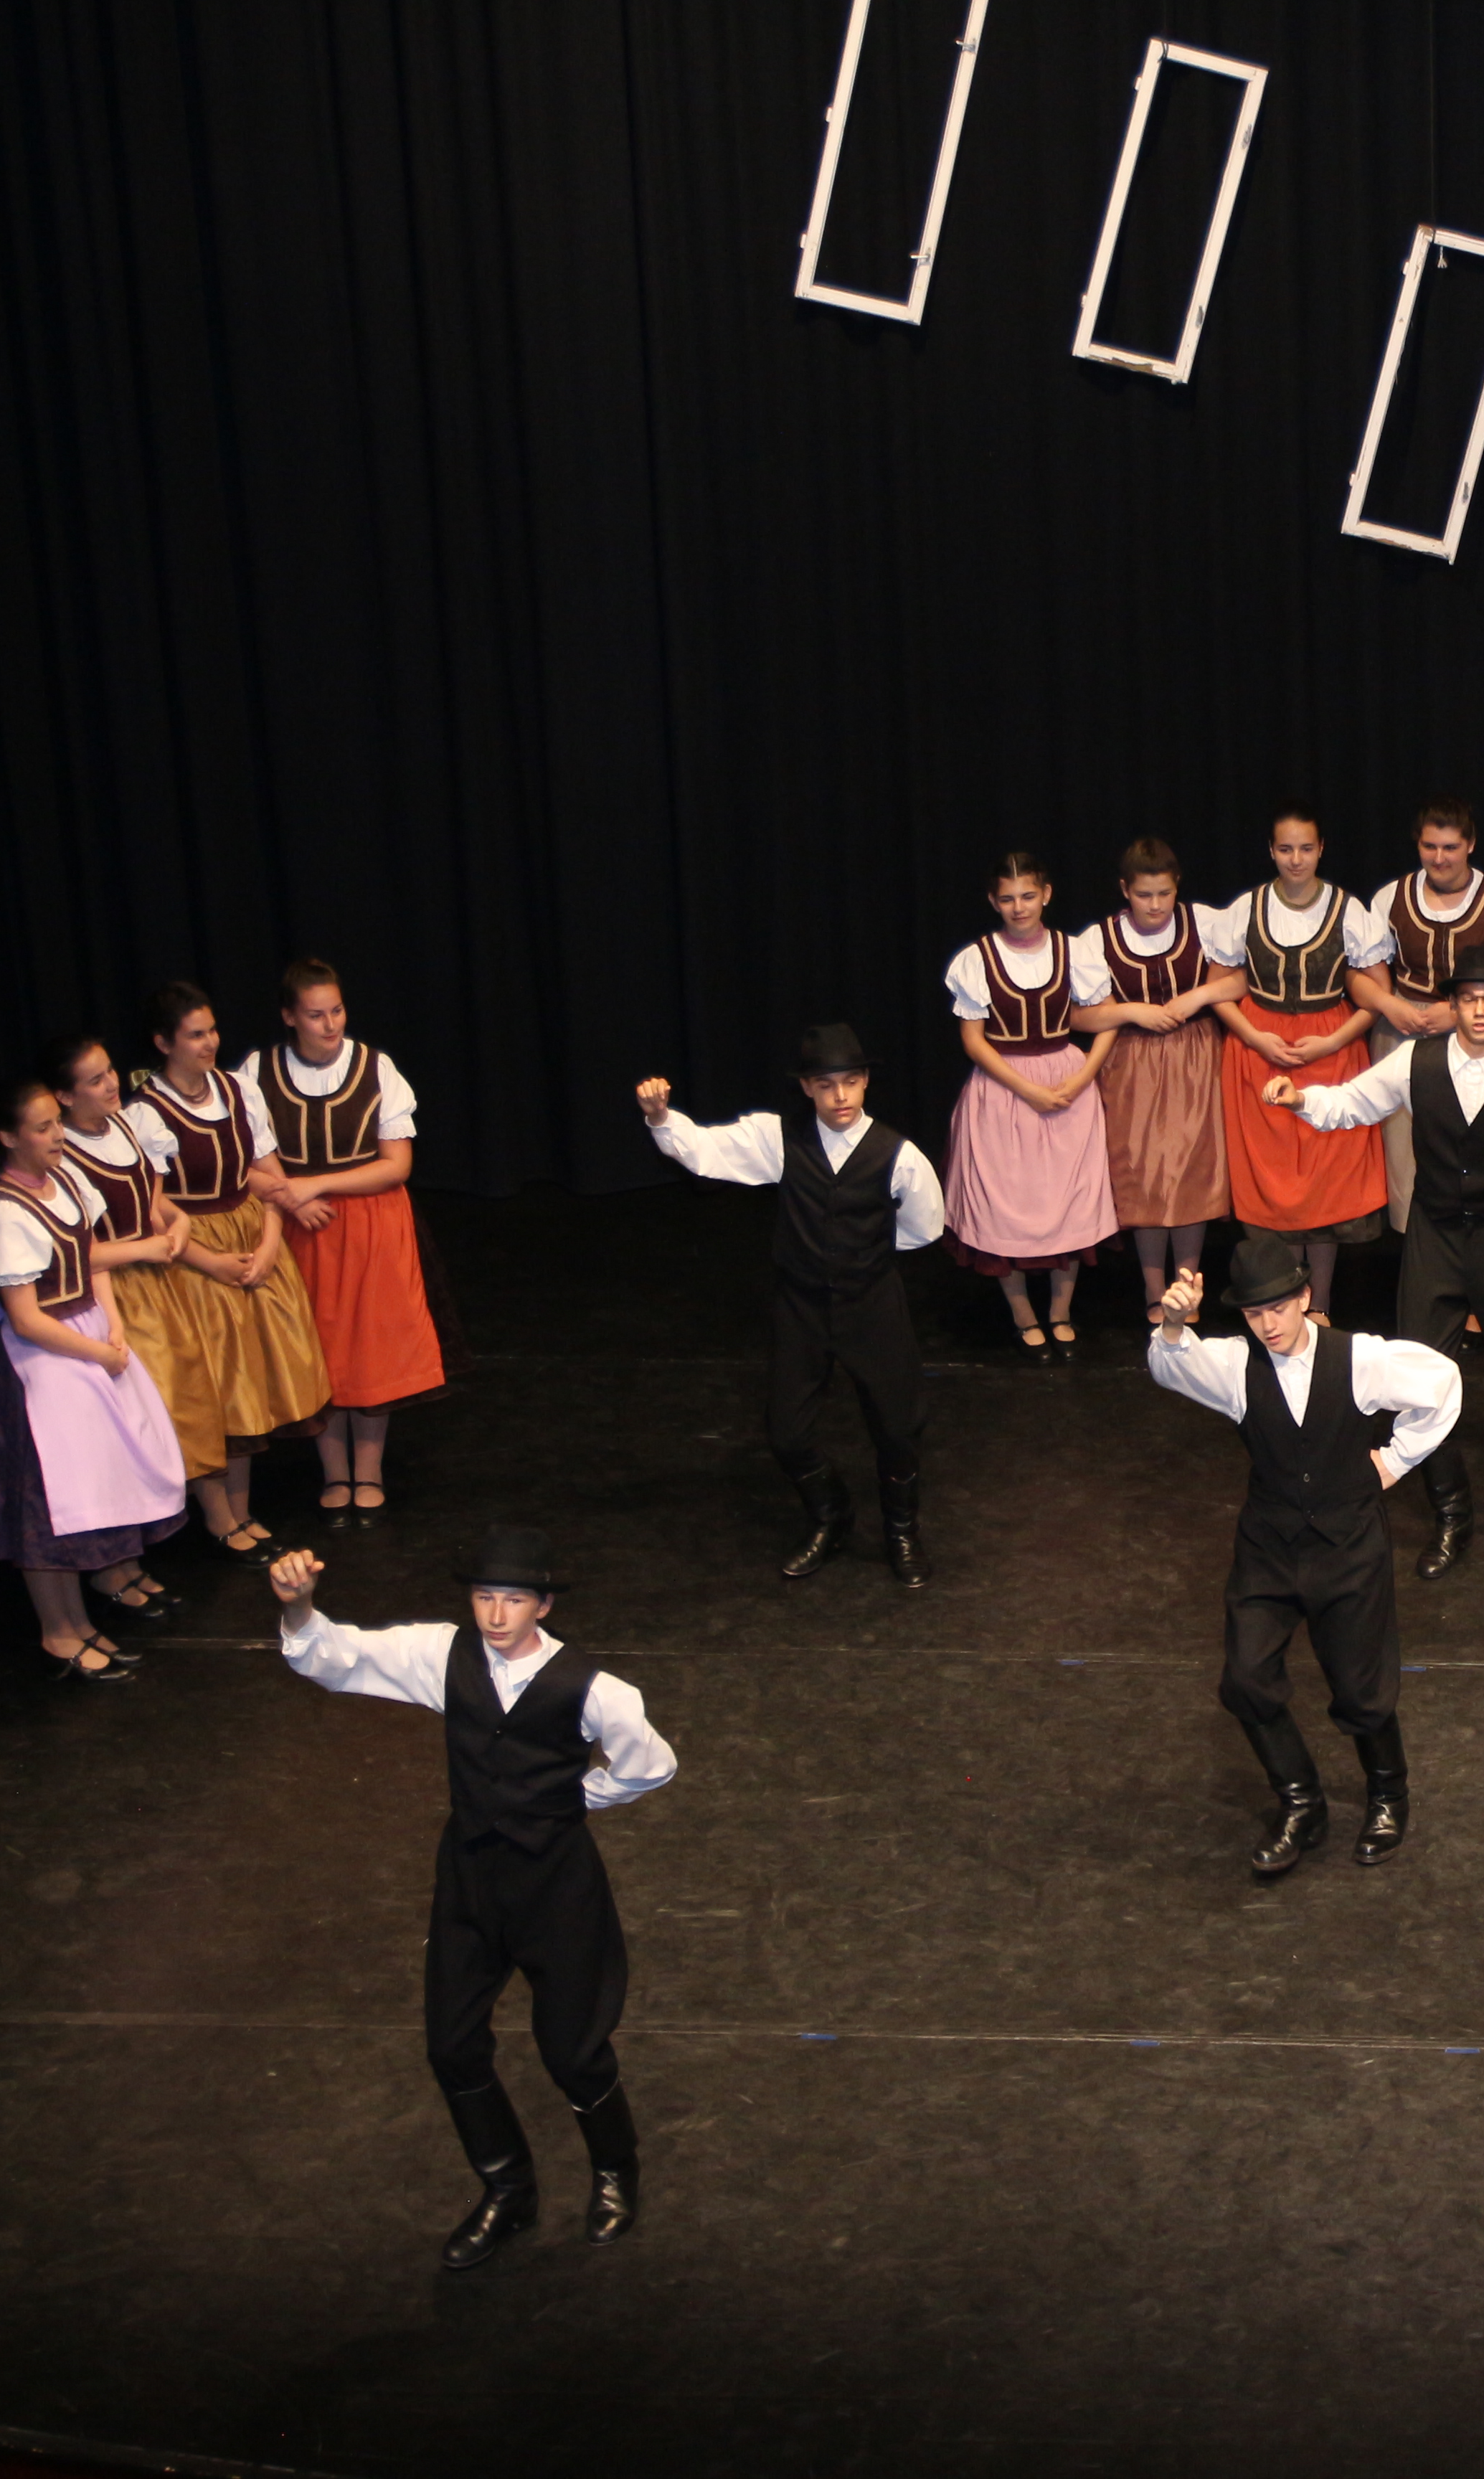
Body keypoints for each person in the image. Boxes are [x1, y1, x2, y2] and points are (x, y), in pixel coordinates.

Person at [270, 1530, 672, 2269]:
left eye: (512, 1600)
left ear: (542, 1607)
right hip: (471, 1879)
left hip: (556, 1886)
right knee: (452, 2045)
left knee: (574, 2051)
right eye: (485, 1597)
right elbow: (336, 1657)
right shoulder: (441, 1654)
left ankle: (616, 2170)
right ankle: (507, 2188)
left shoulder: (593, 1688)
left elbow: (649, 1763)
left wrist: (574, 1799)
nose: (494, 1614)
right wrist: (299, 1608)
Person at [1268, 949, 1484, 1575]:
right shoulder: (1415, 1062)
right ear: (1453, 1005)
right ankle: (1452, 1517)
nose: (1479, 1011)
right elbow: (1353, 1103)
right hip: (1435, 1239)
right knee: (1418, 1382)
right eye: (1468, 1000)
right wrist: (1300, 1099)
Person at [1145, 1236, 1462, 1878]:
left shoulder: (1359, 1359)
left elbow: (1442, 1380)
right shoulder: (1236, 1366)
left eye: (1278, 1309)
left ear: (1305, 1297)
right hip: (1270, 1548)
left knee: (1362, 1690)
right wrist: (1174, 1323)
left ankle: (1387, 1797)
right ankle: (1301, 1803)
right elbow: (1171, 1365)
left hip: (1348, 1547)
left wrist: (1395, 1460)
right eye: (1253, 1313)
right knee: (1245, 1680)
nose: (1267, 1325)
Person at [636, 1024, 950, 1586]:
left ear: (866, 1082)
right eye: (826, 1085)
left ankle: (902, 1531)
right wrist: (661, 1117)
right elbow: (704, 1152)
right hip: (801, 1306)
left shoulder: (899, 1155)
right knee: (786, 1432)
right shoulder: (779, 1138)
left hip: (871, 1304)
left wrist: (861, 1257)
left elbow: (924, 1226)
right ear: (807, 1088)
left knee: (898, 1427)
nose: (840, 1096)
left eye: (850, 1082)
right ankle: (832, 1515)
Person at [0, 1077, 190, 1681]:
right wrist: (96, 1352)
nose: (57, 1135)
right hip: (42, 1361)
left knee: (99, 1479)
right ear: (9, 1139)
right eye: (41, 1128)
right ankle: (59, 1630)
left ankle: (89, 1609)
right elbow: (27, 1318)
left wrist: (113, 1325)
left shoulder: (69, 1181)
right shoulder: (6, 1214)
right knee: (50, 1502)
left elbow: (90, 1259)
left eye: (57, 1122)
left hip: (88, 1338)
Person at [123, 982, 330, 1564]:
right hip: (192, 1254)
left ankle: (241, 1509)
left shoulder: (238, 1090)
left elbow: (266, 1176)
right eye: (195, 1035)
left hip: (249, 1238)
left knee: (251, 1386)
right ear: (164, 1043)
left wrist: (269, 1243)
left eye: (212, 1030)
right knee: (213, 1387)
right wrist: (208, 1260)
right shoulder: (147, 1114)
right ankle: (218, 1515)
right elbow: (151, 1208)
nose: (210, 1042)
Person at [245, 959, 445, 1526]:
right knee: (322, 1349)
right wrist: (293, 1198)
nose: (330, 1024)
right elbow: (249, 1159)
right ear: (290, 1017)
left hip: (369, 1222)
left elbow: (396, 1165)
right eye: (316, 1015)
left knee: (371, 1349)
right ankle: (334, 1471)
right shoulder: (258, 1072)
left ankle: (370, 1471)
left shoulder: (376, 1068)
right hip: (300, 1227)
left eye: (336, 1011)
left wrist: (318, 1183)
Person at [42, 1033, 211, 1626]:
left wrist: (178, 1225)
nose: (112, 1084)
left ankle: (132, 1557)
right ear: (65, 1097)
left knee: (160, 1420)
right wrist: (146, 1247)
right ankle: (111, 1567)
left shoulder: (131, 1126)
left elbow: (155, 1200)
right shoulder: (62, 1161)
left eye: (110, 1071)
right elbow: (79, 1252)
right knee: (121, 1437)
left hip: (150, 1288)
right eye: (94, 1080)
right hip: (108, 1298)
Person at [1209, 810, 1394, 1305]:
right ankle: (1283, 1302)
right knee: (1274, 1184)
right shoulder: (1245, 910)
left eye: (1306, 849)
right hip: (1261, 1048)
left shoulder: (1348, 910)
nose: (1296, 859)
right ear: (1271, 851)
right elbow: (1217, 992)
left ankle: (1320, 1303)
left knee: (1324, 1183)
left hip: (1328, 1049)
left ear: (1321, 849)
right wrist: (1255, 1037)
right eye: (1286, 849)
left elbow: (1378, 995)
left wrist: (1333, 1042)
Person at [942, 851, 1119, 1361]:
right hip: (1004, 1086)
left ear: (1046, 895)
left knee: (1069, 1198)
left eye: (1027, 896)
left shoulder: (1074, 952)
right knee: (1006, 1202)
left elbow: (1106, 1020)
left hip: (1066, 1082)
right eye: (1007, 899)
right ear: (993, 901)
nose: (1018, 907)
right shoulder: (977, 959)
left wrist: (1083, 1077)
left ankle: (1061, 1311)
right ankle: (1022, 1314)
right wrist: (1026, 1088)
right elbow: (973, 1040)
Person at [1350, 798, 1484, 1237]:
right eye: (1429, 847)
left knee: (1482, 1147)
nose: (1439, 858)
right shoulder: (1391, 898)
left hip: (1482, 1031)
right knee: (1407, 1154)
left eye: (1451, 847)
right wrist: (1391, 1005)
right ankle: (1420, 1250)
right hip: (1406, 1030)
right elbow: (1360, 979)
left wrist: (1459, 1014)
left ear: (1471, 845)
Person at [1067, 839, 1237, 1312]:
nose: (1156, 905)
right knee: (1143, 1177)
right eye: (1144, 895)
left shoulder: (1203, 923)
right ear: (1125, 890)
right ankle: (1153, 1288)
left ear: (1177, 886)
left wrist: (1197, 997)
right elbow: (1077, 1016)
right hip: (1133, 1061)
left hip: (1195, 1056)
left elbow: (1241, 980)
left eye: (1164, 893)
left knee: (1191, 1174)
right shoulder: (1099, 939)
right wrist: (1131, 1011)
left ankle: (1187, 1286)